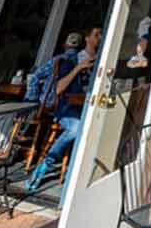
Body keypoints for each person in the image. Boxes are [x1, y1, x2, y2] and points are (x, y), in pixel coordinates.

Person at [25, 26, 101, 192]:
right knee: (76, 128)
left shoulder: (99, 58)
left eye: (101, 34)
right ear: (86, 39)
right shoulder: (71, 59)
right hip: (64, 107)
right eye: (96, 34)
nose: (100, 38)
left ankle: (77, 174)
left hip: (83, 104)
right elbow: (58, 88)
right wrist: (78, 69)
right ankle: (46, 165)